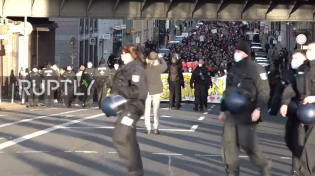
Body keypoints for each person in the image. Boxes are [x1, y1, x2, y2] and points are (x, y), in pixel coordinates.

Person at [219, 41, 272, 176]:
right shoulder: (233, 69)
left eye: (238, 51)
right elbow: (227, 91)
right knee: (228, 145)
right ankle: (232, 172)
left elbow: (264, 92)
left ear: (245, 53)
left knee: (248, 146)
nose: (235, 54)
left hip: (249, 113)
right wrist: (222, 109)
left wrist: (258, 109)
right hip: (232, 114)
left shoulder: (257, 69)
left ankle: (264, 165)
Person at [111, 44, 148, 176]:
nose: (121, 56)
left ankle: (133, 169)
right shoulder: (126, 68)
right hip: (125, 107)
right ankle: (136, 171)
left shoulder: (136, 69)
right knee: (129, 139)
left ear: (131, 55)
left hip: (133, 108)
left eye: (124, 53)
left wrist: (120, 92)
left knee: (119, 137)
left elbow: (138, 90)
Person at [281, 41, 315, 176]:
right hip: (303, 112)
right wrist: (285, 102)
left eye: (312, 50)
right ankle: (297, 172)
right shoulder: (303, 69)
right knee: (297, 144)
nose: (309, 52)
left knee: (310, 146)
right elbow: (293, 88)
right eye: (308, 50)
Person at [144, 52, 167, 135]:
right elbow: (165, 66)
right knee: (156, 110)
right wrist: (161, 58)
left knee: (147, 109)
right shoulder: (159, 67)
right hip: (156, 89)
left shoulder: (146, 67)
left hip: (147, 89)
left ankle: (148, 128)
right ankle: (156, 128)